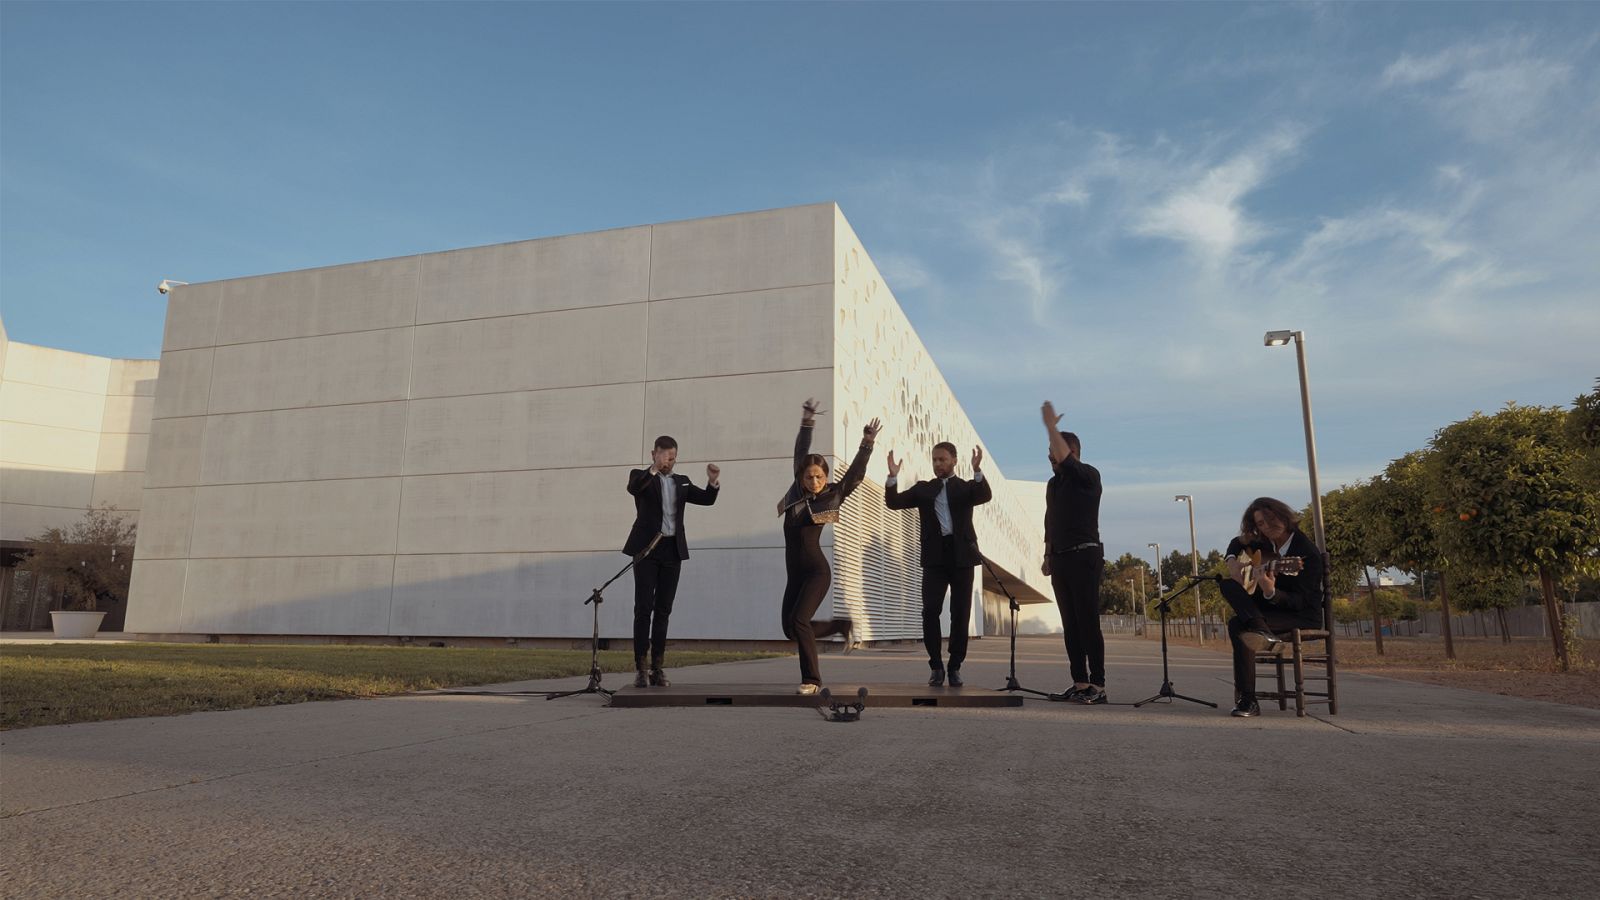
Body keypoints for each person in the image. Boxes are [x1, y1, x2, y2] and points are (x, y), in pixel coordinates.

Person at [776, 398, 880, 695]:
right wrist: (807, 420)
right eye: (809, 477)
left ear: (826, 477)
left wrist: (867, 443)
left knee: (799, 620)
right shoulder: (798, 488)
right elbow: (800, 451)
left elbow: (855, 476)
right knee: (790, 628)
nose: (814, 481)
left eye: (819, 476)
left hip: (816, 571)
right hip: (794, 573)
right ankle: (839, 627)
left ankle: (812, 680)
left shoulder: (832, 494)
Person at [885, 441, 992, 686]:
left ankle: (955, 666)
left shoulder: (966, 488)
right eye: (934, 460)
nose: (937, 464)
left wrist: (977, 470)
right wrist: (892, 478)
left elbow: (984, 495)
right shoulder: (924, 489)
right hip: (934, 558)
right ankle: (936, 665)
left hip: (962, 556)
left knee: (960, 613)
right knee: (930, 610)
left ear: (954, 460)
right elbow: (894, 503)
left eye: (942, 459)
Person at [623, 436, 720, 688]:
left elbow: (707, 499)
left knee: (663, 610)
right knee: (643, 608)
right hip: (646, 550)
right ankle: (641, 669)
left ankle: (658, 667)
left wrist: (712, 482)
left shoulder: (682, 481)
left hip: (672, 551)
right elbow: (635, 488)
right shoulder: (641, 476)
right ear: (653, 454)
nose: (669, 461)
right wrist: (654, 470)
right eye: (665, 456)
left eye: (673, 457)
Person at [1220, 497, 1325, 717]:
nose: (1267, 526)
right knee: (1228, 584)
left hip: (1301, 615)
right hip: (1269, 614)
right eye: (1260, 524)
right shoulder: (1264, 544)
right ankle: (1261, 631)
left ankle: (1248, 701)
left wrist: (1270, 591)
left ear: (1283, 516)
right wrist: (1232, 562)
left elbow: (1301, 602)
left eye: (1270, 519)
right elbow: (1236, 542)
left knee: (1238, 626)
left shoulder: (1306, 553)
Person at [1039, 401, 1107, 705]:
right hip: (1062, 558)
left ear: (1071, 452)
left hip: (1085, 557)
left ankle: (1098, 686)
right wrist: (1048, 554)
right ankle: (1079, 683)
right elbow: (1050, 521)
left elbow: (1067, 461)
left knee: (1087, 621)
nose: (1049, 455)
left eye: (1053, 449)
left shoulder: (1088, 476)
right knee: (1070, 624)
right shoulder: (1053, 485)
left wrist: (1051, 427)